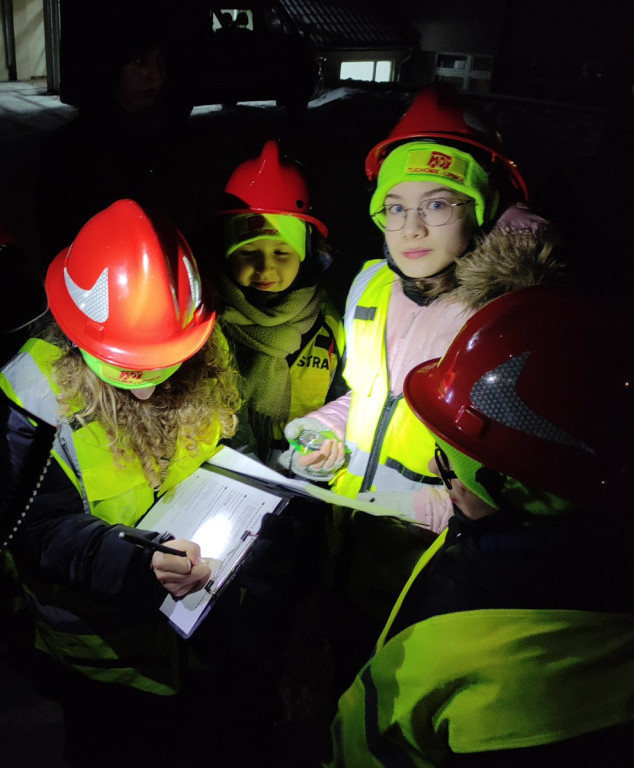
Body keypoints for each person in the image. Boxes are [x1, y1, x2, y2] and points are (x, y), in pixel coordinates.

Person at [278, 83, 565, 621]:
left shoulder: (503, 322)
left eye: (437, 203)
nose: (410, 228)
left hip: (434, 576)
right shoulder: (370, 286)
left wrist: (405, 508)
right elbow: (369, 397)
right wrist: (324, 430)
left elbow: (517, 498)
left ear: (482, 212)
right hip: (350, 545)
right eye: (395, 206)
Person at [328, 286, 634, 766]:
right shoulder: (503, 541)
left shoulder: (523, 676)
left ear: (511, 482)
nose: (438, 469)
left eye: (450, 462)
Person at [0, 199, 241, 765]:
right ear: (79, 336)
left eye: (167, 363)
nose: (149, 389)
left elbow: (227, 446)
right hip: (103, 662)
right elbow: (36, 529)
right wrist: (135, 563)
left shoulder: (204, 346)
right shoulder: (33, 394)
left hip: (201, 640)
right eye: (128, 368)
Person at [34, 3, 205, 263]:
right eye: (140, 63)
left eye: (160, 62)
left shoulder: (182, 142)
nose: (155, 76)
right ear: (111, 66)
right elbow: (56, 241)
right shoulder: (69, 150)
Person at [210, 138, 345, 464]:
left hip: (302, 474)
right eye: (248, 252)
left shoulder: (328, 326)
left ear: (306, 254)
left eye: (282, 252)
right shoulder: (207, 325)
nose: (265, 267)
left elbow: (344, 403)